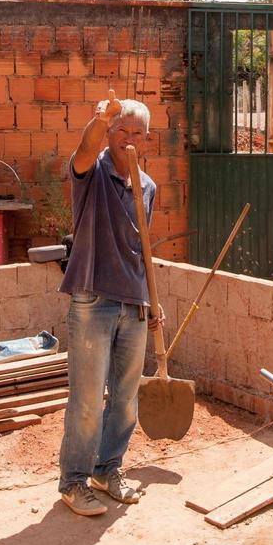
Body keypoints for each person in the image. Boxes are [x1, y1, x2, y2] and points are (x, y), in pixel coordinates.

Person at [56, 88, 162, 517]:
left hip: (133, 302)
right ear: (111, 134)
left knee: (125, 397)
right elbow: (83, 150)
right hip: (93, 298)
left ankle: (107, 468)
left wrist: (152, 300)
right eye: (122, 130)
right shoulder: (91, 174)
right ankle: (74, 481)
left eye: (137, 132)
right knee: (86, 398)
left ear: (147, 138)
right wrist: (101, 119)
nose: (129, 138)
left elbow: (141, 249)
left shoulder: (148, 186)